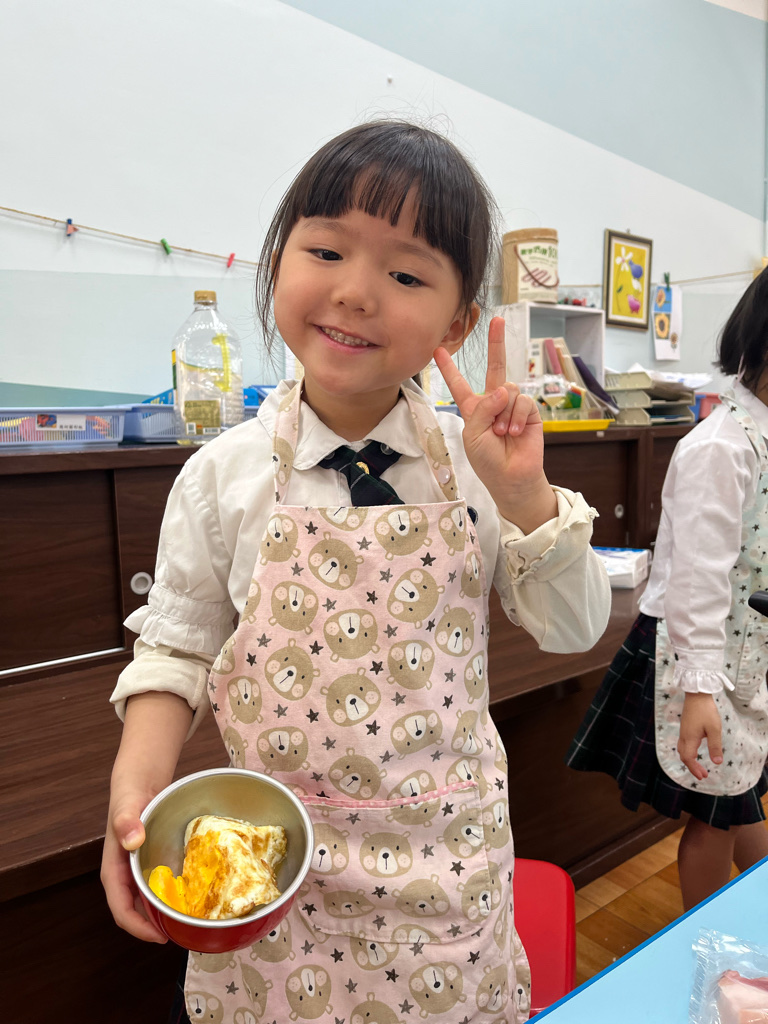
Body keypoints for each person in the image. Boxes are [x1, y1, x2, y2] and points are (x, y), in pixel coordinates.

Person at [102, 119, 611, 1024]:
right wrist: (133, 791)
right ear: (278, 263)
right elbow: (177, 649)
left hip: (443, 870)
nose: (355, 293)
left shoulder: (478, 469)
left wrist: (526, 498)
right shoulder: (221, 476)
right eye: (327, 251)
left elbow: (574, 630)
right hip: (267, 871)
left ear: (458, 323)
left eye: (406, 275)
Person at [567, 267, 768, 912]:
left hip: (743, 652)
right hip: (694, 655)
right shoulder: (722, 448)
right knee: (715, 813)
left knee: (741, 791)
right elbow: (697, 579)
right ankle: (704, 947)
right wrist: (700, 690)